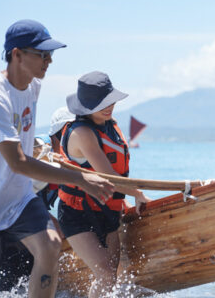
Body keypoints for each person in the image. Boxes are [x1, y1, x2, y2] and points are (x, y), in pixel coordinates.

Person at [0, 19, 115, 298]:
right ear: (16, 54)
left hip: (19, 200)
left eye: (50, 54)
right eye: (42, 54)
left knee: (50, 244)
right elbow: (18, 162)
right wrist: (80, 178)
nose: (49, 61)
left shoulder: (33, 86)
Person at [57, 71, 151, 298]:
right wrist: (138, 193)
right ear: (85, 107)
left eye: (110, 101)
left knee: (112, 275)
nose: (108, 107)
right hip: (77, 213)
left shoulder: (111, 125)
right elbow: (108, 177)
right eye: (100, 104)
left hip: (108, 211)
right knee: (106, 273)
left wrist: (127, 200)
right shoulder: (82, 133)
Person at [0, 107, 74, 293]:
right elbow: (19, 190)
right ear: (61, 132)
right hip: (10, 223)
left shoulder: (71, 157)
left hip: (29, 229)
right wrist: (51, 221)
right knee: (9, 285)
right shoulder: (40, 146)